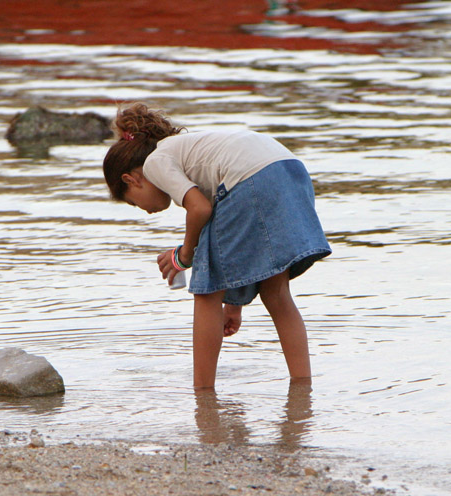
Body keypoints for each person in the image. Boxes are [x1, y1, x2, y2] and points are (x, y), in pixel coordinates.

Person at [103, 103, 331, 389]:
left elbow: (200, 209)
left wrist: (185, 256)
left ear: (131, 180)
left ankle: (203, 393)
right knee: (276, 292)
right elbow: (236, 238)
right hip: (289, 171)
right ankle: (303, 387)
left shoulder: (154, 163)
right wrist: (234, 304)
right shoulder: (187, 149)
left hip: (250, 179)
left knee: (206, 292)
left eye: (134, 202)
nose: (144, 209)